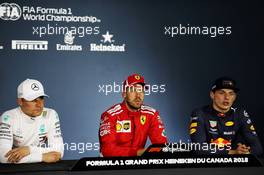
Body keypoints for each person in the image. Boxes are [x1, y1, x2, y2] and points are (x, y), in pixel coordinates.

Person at [189, 77, 263, 155]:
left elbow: (258, 148)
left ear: (234, 97)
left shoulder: (240, 114)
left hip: (235, 165)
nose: (227, 97)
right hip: (207, 165)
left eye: (231, 93)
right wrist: (233, 152)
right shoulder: (199, 113)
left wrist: (246, 152)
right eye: (221, 93)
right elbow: (198, 148)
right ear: (212, 95)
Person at [99, 74, 167, 157]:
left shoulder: (151, 114)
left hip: (138, 166)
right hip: (111, 166)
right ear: (124, 94)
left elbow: (161, 146)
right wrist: (139, 153)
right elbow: (108, 150)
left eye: (141, 91)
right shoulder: (110, 115)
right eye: (133, 90)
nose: (138, 95)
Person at [0, 79, 64, 163]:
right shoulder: (8, 117)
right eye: (33, 100)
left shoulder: (50, 114)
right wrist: (42, 157)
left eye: (41, 98)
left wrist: (29, 150)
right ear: (20, 101)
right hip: (16, 169)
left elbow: (58, 152)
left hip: (38, 168)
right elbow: (3, 157)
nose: (39, 104)